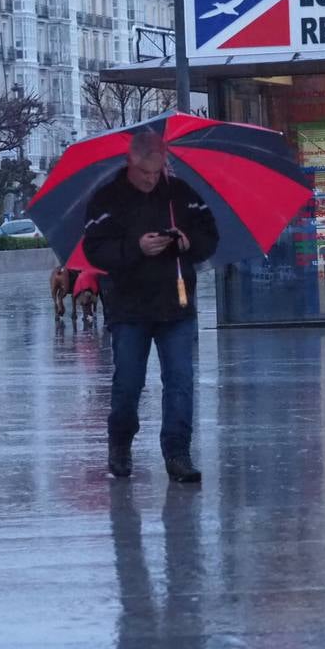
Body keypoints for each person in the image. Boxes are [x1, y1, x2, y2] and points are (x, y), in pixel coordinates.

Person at [83, 130, 218, 484]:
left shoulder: (181, 194)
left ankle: (177, 454)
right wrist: (135, 248)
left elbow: (209, 236)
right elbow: (94, 250)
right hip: (129, 307)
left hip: (177, 304)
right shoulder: (107, 199)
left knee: (180, 381)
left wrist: (188, 244)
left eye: (157, 172)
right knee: (128, 383)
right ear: (131, 162)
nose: (151, 179)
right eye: (145, 173)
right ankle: (121, 443)